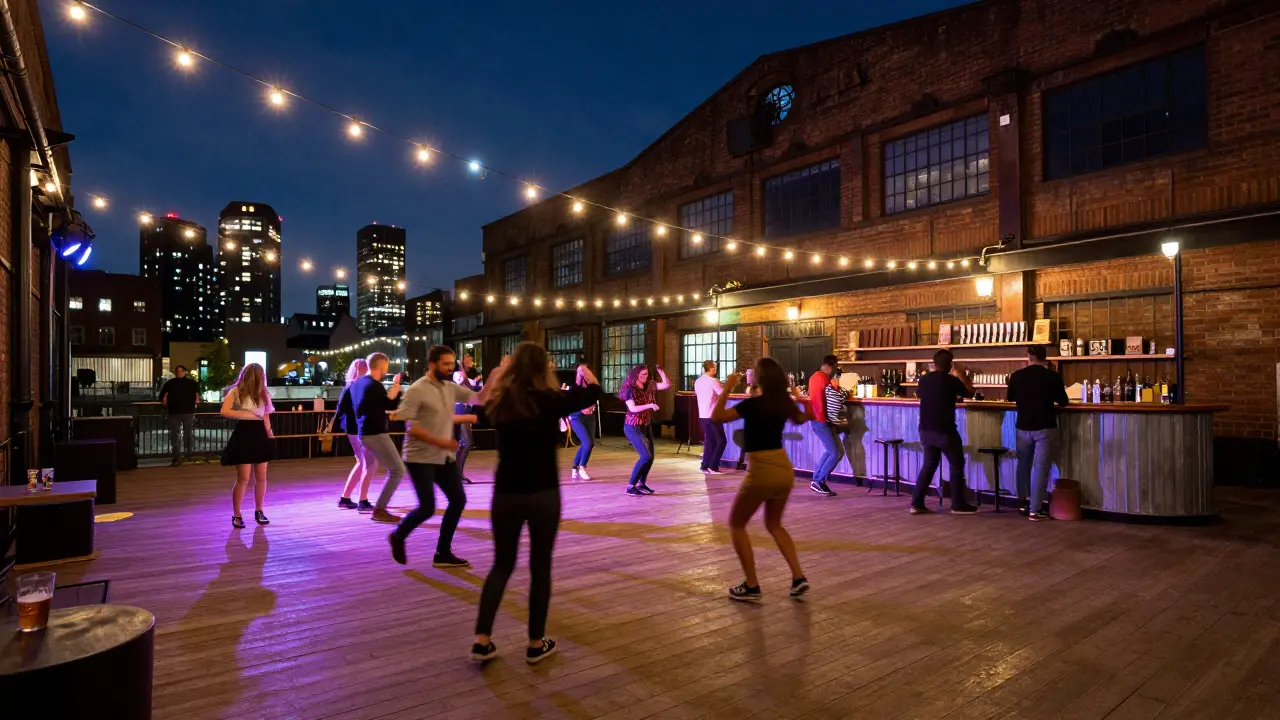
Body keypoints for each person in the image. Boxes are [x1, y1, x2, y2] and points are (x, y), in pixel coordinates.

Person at [471, 343, 601, 664]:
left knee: (501, 565)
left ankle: (482, 640)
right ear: (544, 367)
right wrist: (585, 372)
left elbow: (479, 404)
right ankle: (534, 643)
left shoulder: (502, 402)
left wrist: (495, 375)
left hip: (506, 494)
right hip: (543, 493)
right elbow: (595, 393)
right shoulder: (552, 400)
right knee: (540, 568)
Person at [710, 357, 812, 602]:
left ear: (760, 378)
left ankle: (752, 585)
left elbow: (717, 417)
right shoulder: (783, 404)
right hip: (783, 469)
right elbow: (804, 416)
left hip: (761, 469)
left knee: (736, 524)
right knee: (774, 524)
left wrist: (727, 388)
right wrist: (798, 394)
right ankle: (798, 577)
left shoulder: (752, 405)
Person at [390, 345, 492, 567]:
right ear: (432, 364)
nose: (449, 368)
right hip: (419, 457)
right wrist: (443, 442)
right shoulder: (417, 390)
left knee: (458, 500)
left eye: (451, 363)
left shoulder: (449, 387)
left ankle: (442, 553)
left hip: (443, 456)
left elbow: (479, 399)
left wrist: (495, 377)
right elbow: (411, 428)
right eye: (445, 364)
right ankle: (398, 536)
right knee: (427, 507)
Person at [1006, 345, 1070, 521]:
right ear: (1044, 357)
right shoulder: (1052, 377)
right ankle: (1035, 510)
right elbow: (1063, 402)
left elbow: (1010, 398)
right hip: (1045, 426)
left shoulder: (1017, 376)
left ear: (1029, 356)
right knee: (1040, 468)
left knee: (1023, 466)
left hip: (1023, 426)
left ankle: (1022, 503)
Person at [912, 349, 977, 515]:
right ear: (950, 365)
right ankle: (957, 504)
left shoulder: (924, 379)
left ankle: (916, 503)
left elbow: (921, 395)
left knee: (928, 466)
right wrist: (961, 374)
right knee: (956, 465)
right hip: (945, 430)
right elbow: (970, 393)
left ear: (934, 363)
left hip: (925, 429)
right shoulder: (951, 381)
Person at [219, 363, 276, 529]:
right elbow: (225, 410)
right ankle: (237, 514)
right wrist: (248, 414)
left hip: (259, 434)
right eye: (261, 375)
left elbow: (266, 415)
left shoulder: (264, 393)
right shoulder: (236, 391)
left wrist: (270, 433)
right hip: (244, 433)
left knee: (261, 476)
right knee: (243, 478)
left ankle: (259, 510)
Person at [351, 352, 405, 523]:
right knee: (398, 470)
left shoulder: (358, 383)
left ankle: (364, 501)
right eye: (386, 367)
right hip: (376, 433)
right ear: (382, 367)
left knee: (370, 467)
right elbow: (389, 406)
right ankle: (380, 509)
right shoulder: (375, 385)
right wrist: (396, 387)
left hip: (363, 433)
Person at [618, 364, 670, 496]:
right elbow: (633, 409)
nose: (644, 377)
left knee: (650, 457)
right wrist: (650, 405)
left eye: (646, 374)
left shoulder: (650, 385)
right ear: (635, 375)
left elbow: (666, 385)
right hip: (632, 427)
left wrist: (661, 371)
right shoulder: (629, 389)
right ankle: (630, 486)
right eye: (642, 375)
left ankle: (642, 483)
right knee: (645, 456)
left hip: (645, 426)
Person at [334, 358, 378, 512]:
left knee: (363, 462)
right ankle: (362, 500)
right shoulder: (357, 387)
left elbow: (340, 409)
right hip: (358, 429)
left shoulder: (350, 386)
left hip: (353, 429)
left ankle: (346, 498)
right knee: (369, 463)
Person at [805, 355, 842, 497]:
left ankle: (816, 481)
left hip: (817, 419)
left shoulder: (814, 377)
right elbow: (826, 399)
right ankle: (819, 481)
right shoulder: (822, 379)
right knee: (835, 453)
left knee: (830, 451)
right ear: (830, 366)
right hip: (820, 420)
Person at [160, 365, 201, 467]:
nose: (179, 373)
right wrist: (164, 399)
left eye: (180, 371)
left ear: (185, 372)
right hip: (174, 412)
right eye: (177, 371)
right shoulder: (170, 383)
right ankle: (177, 457)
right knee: (175, 436)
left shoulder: (191, 383)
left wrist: (196, 399)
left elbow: (197, 395)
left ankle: (188, 454)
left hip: (187, 412)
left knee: (187, 434)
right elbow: (162, 396)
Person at [452, 354, 483, 483]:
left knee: (463, 443)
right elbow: (462, 387)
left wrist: (471, 383)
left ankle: (456, 473)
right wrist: (468, 381)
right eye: (467, 359)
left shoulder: (476, 376)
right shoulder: (457, 374)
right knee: (467, 442)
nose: (470, 361)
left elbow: (478, 392)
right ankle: (456, 473)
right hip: (460, 409)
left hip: (468, 409)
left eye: (471, 359)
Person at [694, 360, 727, 474]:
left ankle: (705, 465)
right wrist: (721, 384)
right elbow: (723, 395)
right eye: (715, 369)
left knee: (710, 441)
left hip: (702, 415)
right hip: (712, 415)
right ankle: (713, 466)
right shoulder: (713, 381)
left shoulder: (697, 381)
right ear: (713, 369)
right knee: (721, 441)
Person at [567, 363, 597, 479]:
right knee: (587, 443)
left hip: (590, 417)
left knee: (589, 443)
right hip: (576, 417)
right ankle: (582, 467)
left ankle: (575, 467)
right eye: (581, 372)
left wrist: (592, 406)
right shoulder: (575, 387)